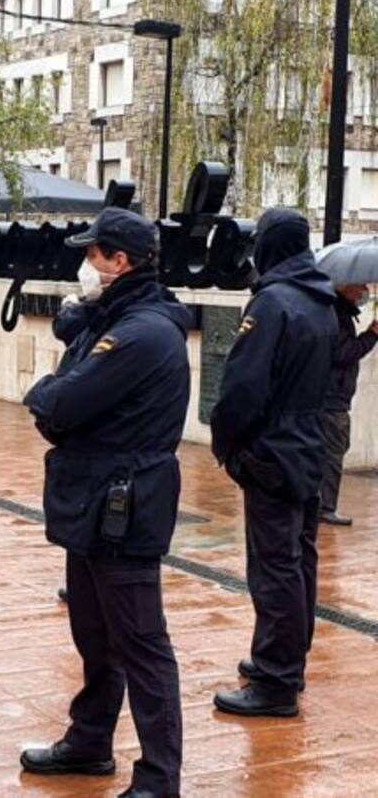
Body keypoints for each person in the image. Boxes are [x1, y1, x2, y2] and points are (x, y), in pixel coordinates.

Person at [19, 208, 190, 798]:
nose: (85, 264)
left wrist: (45, 393)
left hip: (124, 504)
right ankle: (90, 742)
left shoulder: (142, 333)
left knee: (141, 645)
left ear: (121, 261)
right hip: (93, 499)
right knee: (95, 635)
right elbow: (72, 388)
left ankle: (159, 779)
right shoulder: (113, 319)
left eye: (93, 255)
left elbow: (61, 402)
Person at [210, 208, 337, 718]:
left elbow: (242, 389)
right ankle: (286, 660)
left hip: (273, 450)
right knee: (298, 562)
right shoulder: (322, 302)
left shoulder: (273, 304)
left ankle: (276, 680)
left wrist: (227, 445)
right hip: (307, 447)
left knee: (274, 569)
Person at [317, 281, 378, 526]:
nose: (364, 290)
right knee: (333, 452)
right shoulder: (337, 314)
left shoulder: (339, 311)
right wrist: (372, 335)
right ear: (344, 287)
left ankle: (319, 503)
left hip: (333, 396)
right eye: (359, 286)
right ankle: (325, 507)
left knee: (334, 448)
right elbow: (343, 353)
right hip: (332, 398)